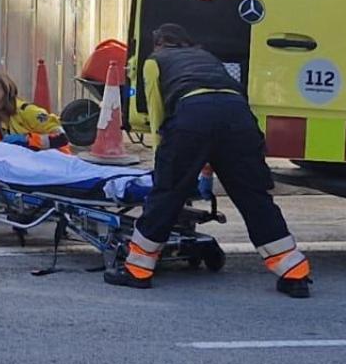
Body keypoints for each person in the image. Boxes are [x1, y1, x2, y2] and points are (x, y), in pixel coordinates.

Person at [107, 23, 313, 298]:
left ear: (159, 43)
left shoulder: (155, 61)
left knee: (167, 195)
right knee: (254, 197)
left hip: (192, 116)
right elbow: (222, 108)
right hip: (238, 117)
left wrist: (164, 159)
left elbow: (158, 110)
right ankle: (294, 273)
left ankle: (138, 270)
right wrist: (208, 163)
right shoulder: (208, 57)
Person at [0, 70, 71, 153]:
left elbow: (62, 138)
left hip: (56, 163)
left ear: (6, 87)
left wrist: (28, 140)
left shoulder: (28, 111)